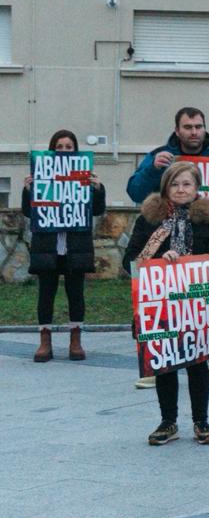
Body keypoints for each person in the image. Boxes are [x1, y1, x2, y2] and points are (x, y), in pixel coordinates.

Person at [127, 107, 209, 388]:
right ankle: (157, 360)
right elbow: (136, 192)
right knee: (161, 308)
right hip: (166, 250)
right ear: (177, 130)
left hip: (208, 248)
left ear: (204, 127)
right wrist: (153, 171)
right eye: (187, 127)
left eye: (198, 126)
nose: (193, 132)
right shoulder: (160, 156)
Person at [123, 161, 209, 446]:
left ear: (196, 188)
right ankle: (168, 421)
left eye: (187, 184)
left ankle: (201, 420)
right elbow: (130, 260)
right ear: (166, 187)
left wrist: (189, 261)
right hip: (160, 304)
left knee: (197, 362)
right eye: (175, 184)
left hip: (196, 304)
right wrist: (160, 258)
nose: (181, 189)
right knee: (165, 362)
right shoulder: (149, 219)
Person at [23, 130, 107, 362]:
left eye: (68, 147)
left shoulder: (84, 178)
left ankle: (75, 340)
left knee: (76, 294)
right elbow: (28, 213)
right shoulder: (41, 175)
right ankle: (44, 342)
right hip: (47, 246)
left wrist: (98, 190)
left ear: (75, 150)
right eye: (59, 146)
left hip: (75, 247)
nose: (63, 150)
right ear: (52, 149)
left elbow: (97, 211)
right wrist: (29, 190)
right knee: (46, 294)